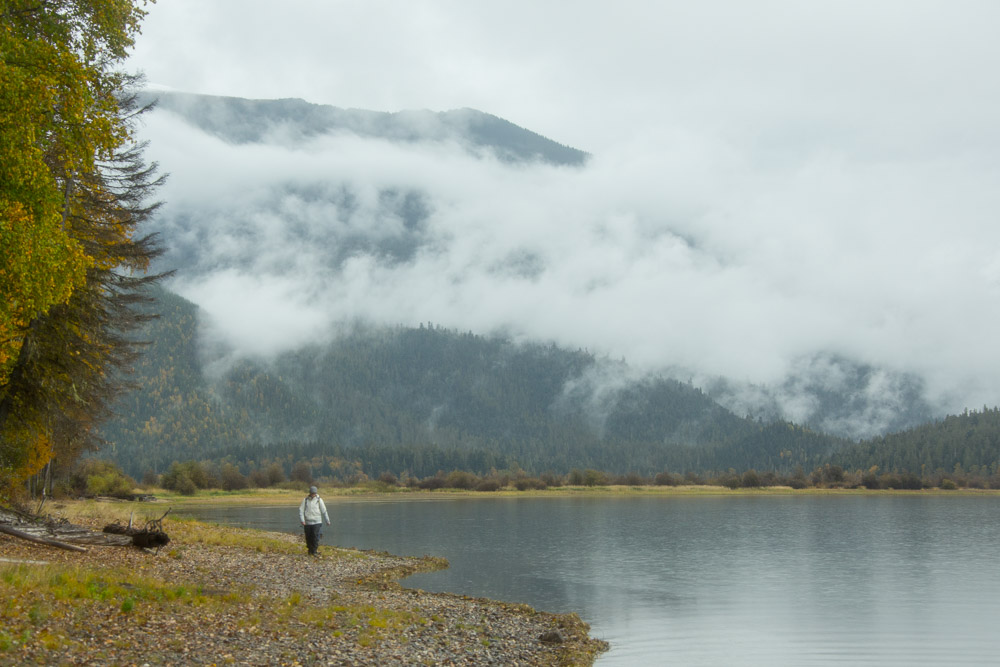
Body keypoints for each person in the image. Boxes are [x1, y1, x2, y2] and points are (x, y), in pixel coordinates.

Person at [298, 485, 330, 556]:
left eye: (314, 493)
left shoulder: (319, 500)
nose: (313, 495)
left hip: (317, 522)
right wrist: (302, 520)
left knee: (315, 536)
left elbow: (324, 511)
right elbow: (301, 510)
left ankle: (314, 551)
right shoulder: (305, 500)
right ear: (310, 493)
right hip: (307, 522)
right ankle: (310, 550)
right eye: (312, 493)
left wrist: (327, 520)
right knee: (308, 537)